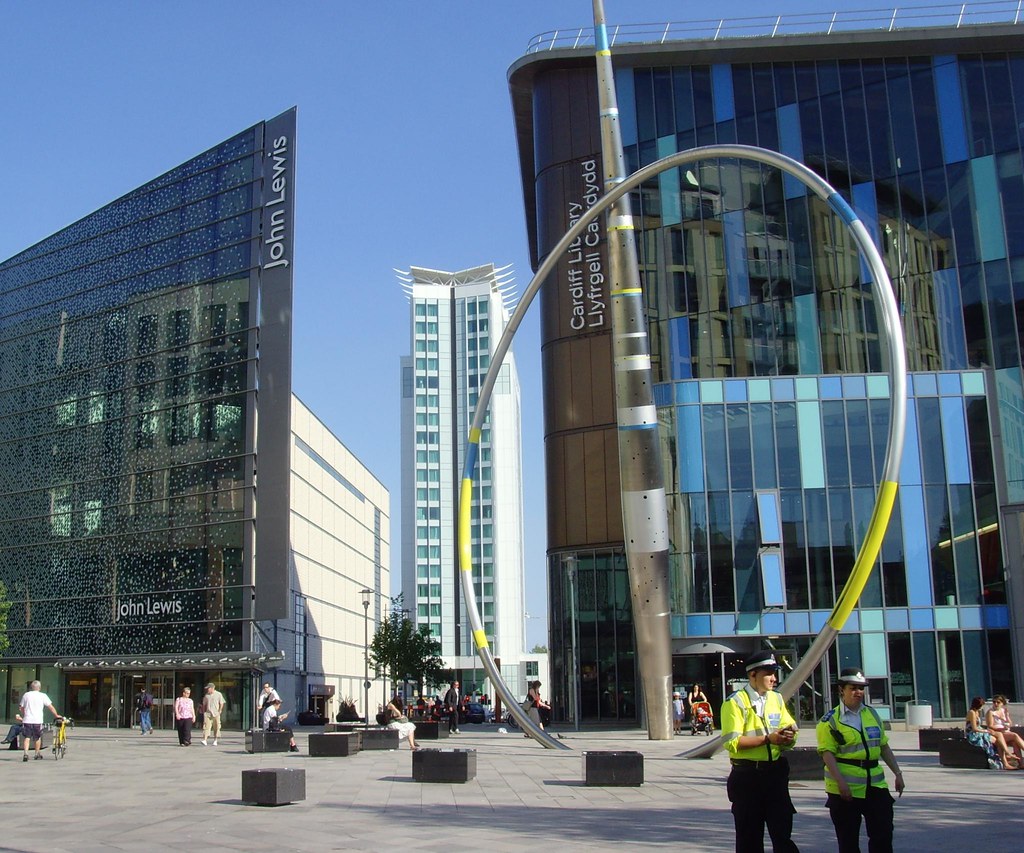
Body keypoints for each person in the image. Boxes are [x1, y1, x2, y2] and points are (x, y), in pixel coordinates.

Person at [817, 668, 905, 852]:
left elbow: (883, 746)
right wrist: (841, 783)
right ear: (841, 689)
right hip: (845, 789)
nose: (858, 692)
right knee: (848, 841)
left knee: (883, 834)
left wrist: (897, 773)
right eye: (853, 688)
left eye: (861, 688)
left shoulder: (871, 714)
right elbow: (827, 754)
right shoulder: (830, 720)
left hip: (875, 785)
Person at [720, 650, 799, 852]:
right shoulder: (735, 702)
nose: (774, 679)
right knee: (749, 839)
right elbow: (732, 742)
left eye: (775, 673)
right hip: (748, 777)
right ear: (752, 675)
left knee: (782, 834)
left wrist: (789, 737)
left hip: (775, 774)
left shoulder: (776, 698)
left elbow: (789, 725)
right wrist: (767, 739)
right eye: (768, 674)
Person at [986, 694, 1024, 769]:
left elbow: (1009, 723)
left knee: (1014, 742)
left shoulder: (1003, 711)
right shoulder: (991, 712)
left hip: (1005, 732)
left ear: (1002, 703)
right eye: (994, 702)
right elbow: (990, 726)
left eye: (998, 702)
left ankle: (1021, 763)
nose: (996, 704)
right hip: (997, 733)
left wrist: (1006, 716)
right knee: (1014, 735)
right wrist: (1002, 729)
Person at [965, 696, 1001, 769]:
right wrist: (985, 731)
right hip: (972, 734)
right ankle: (995, 758)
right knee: (993, 739)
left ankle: (1001, 756)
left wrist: (987, 730)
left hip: (978, 732)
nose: (982, 707)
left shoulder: (977, 712)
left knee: (996, 736)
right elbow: (974, 728)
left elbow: (979, 726)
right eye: (981, 705)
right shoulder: (971, 712)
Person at [200, 682, 226, 746]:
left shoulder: (218, 694)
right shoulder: (206, 695)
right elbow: (204, 704)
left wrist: (220, 710)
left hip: (216, 713)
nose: (207, 689)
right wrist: (204, 712)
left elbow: (221, 703)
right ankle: (205, 740)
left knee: (216, 727)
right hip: (208, 713)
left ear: (212, 688)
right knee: (206, 726)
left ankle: (215, 740)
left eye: (208, 688)